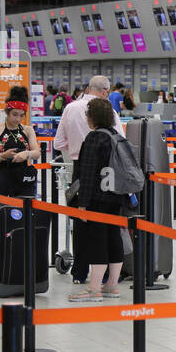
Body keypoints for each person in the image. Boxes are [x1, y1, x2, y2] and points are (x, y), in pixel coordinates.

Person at [54, 76, 114, 283]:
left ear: (88, 88)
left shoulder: (70, 108)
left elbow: (58, 142)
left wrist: (72, 160)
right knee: (104, 223)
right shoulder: (108, 110)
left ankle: (79, 272)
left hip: (77, 169)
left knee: (79, 222)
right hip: (105, 173)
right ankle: (104, 274)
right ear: (105, 91)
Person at [68, 97, 128, 302]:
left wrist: (82, 204)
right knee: (113, 237)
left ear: (92, 116)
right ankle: (112, 285)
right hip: (116, 196)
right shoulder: (115, 135)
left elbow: (87, 173)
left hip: (97, 199)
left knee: (97, 240)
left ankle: (94, 289)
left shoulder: (94, 138)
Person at [0, 85, 39, 199]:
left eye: (21, 115)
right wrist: (2, 156)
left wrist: (26, 154)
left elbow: (37, 152)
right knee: (3, 213)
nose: (17, 119)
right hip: (3, 179)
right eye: (14, 114)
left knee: (24, 214)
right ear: (7, 112)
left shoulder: (28, 130)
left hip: (24, 181)